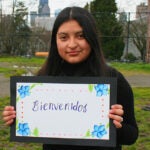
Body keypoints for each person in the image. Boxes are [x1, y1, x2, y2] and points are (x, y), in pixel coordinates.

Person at [2, 6, 138, 150]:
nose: (72, 44)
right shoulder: (42, 81)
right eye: (64, 37)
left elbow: (132, 136)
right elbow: (33, 123)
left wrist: (117, 126)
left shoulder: (113, 79)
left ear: (91, 38)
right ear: (55, 41)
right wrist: (17, 117)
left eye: (81, 36)